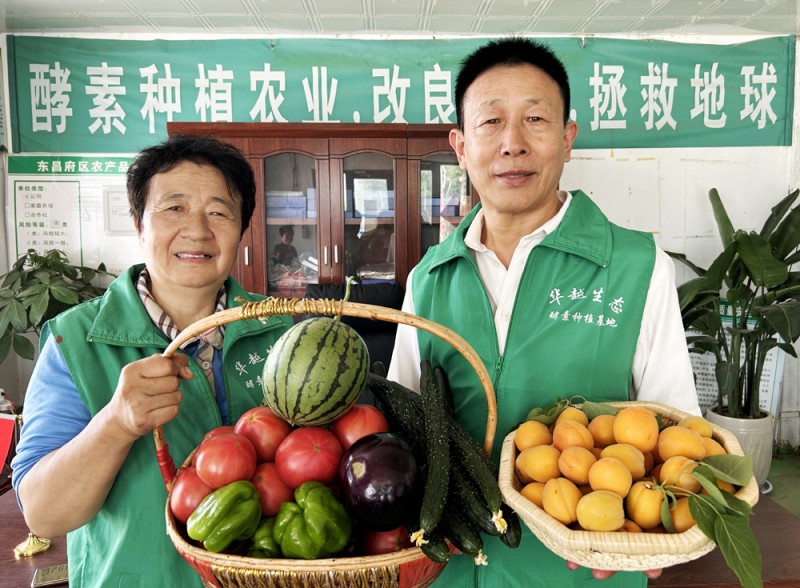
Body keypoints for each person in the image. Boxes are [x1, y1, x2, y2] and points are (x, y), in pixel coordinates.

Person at [387, 38, 701, 588]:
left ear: (567, 138)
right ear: (460, 146)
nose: (512, 144)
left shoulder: (635, 265)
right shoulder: (428, 278)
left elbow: (676, 436)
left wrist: (662, 534)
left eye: (535, 118)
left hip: (588, 570)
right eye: (491, 122)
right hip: (451, 572)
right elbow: (402, 430)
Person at [11, 135, 293, 587]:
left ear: (242, 229)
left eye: (219, 212)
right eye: (174, 208)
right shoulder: (76, 342)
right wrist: (116, 425)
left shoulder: (285, 332)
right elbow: (44, 514)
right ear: (138, 222)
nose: (198, 231)